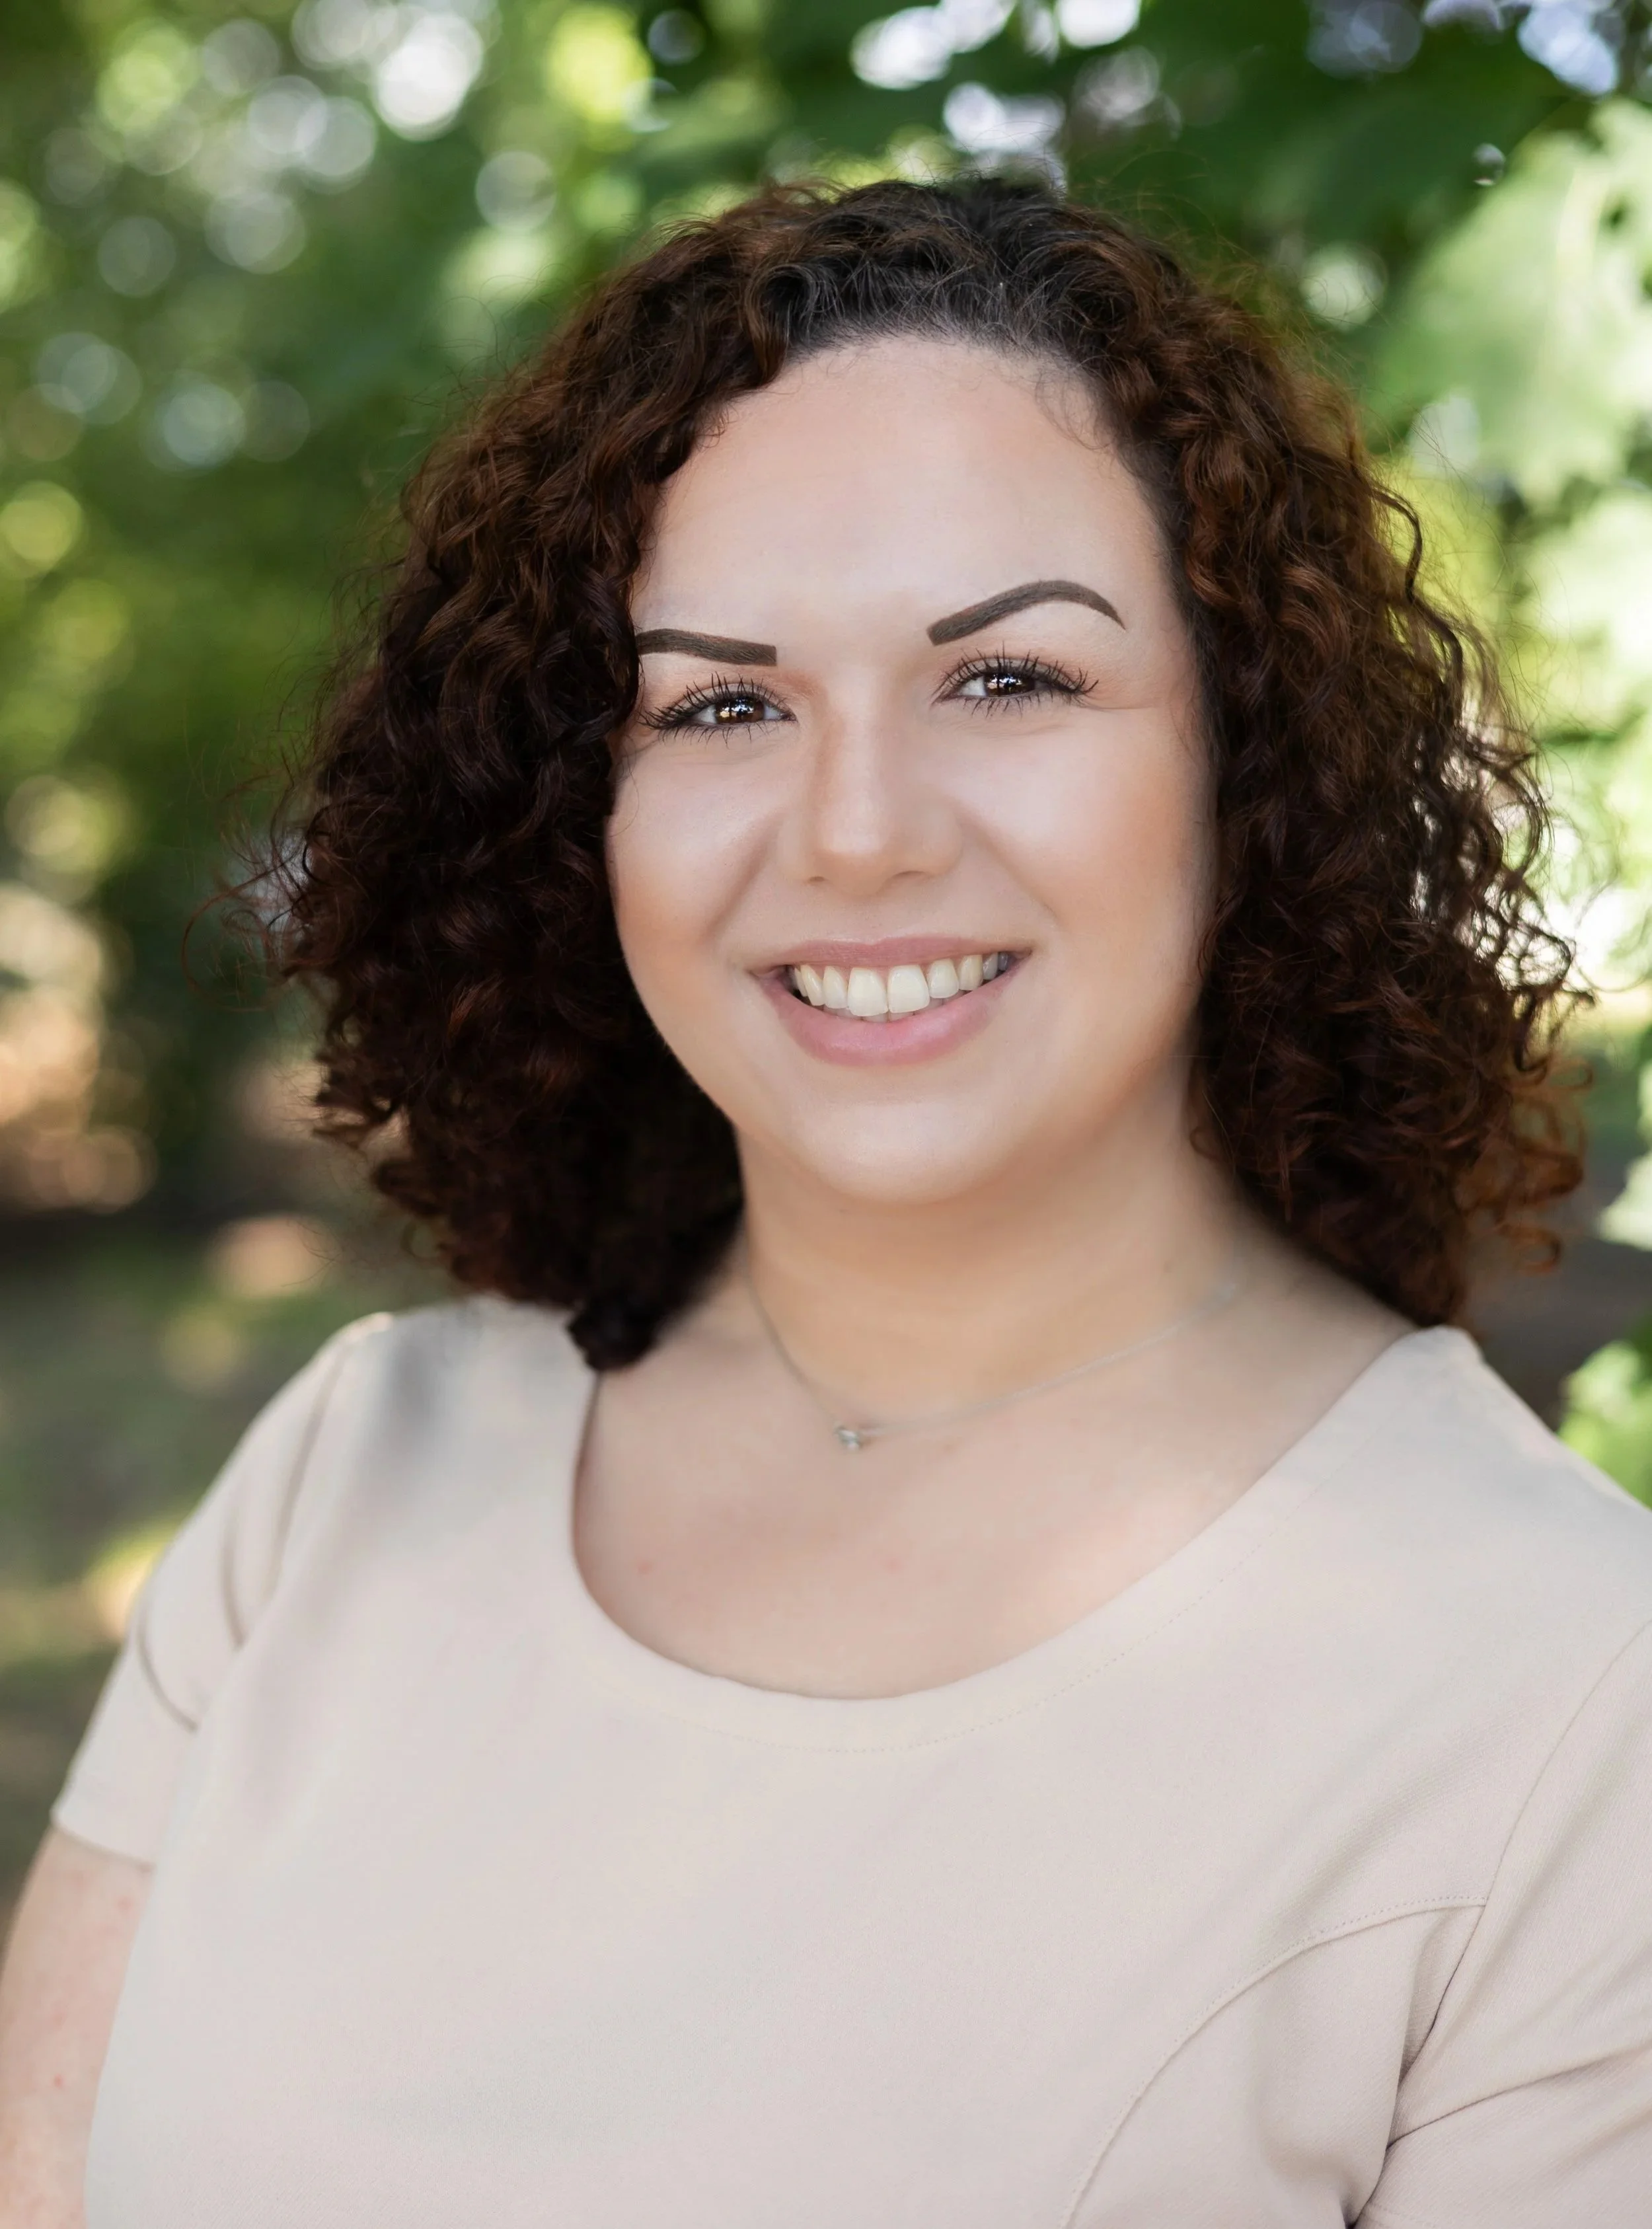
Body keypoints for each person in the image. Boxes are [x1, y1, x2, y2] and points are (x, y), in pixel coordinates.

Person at [1, 176, 1647, 2229]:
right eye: (719, 703)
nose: (854, 831)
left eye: (1007, 680)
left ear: (1247, 765)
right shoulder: (345, 1472)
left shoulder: (1573, 1698)